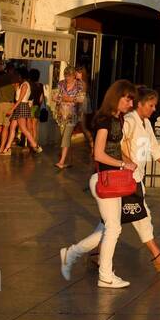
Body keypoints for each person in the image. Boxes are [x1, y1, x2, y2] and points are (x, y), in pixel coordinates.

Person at [60, 80, 141, 288]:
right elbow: (99, 153)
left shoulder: (118, 119)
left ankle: (71, 253)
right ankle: (105, 275)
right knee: (114, 228)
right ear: (117, 96)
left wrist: (128, 162)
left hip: (114, 177)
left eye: (132, 100)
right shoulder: (105, 120)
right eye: (127, 99)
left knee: (105, 228)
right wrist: (123, 164)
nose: (130, 104)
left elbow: (114, 147)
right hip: (106, 178)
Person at [118, 87, 160, 271]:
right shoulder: (129, 121)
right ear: (140, 104)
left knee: (111, 221)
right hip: (127, 179)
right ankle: (158, 255)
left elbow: (154, 148)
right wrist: (127, 162)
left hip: (137, 178)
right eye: (151, 105)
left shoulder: (146, 123)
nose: (154, 109)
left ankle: (90, 252)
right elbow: (117, 144)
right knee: (142, 217)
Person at [0, 66, 44, 156]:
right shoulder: (21, 84)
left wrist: (12, 109)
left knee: (23, 128)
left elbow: (20, 99)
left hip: (22, 106)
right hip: (19, 106)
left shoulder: (25, 85)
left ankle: (35, 145)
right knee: (12, 128)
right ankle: (7, 148)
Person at [55, 66, 87, 169]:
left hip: (72, 115)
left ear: (74, 76)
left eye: (69, 76)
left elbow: (81, 99)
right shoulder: (61, 83)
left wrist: (65, 98)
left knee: (66, 137)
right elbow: (55, 96)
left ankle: (61, 161)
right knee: (64, 137)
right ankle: (69, 159)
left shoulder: (79, 85)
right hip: (61, 115)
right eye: (66, 76)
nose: (67, 78)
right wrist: (70, 99)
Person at [0, 65, 17, 154]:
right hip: (10, 105)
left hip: (0, 104)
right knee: (6, 127)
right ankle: (1, 148)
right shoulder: (14, 81)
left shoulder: (0, 80)